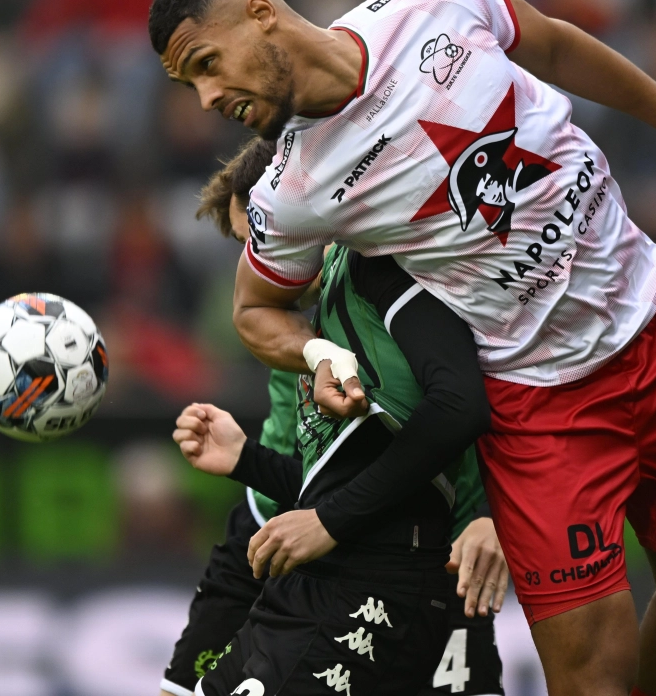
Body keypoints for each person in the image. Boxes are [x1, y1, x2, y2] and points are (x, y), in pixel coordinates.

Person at [149, 0, 656, 696]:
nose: (210, 96)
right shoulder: (291, 191)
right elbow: (252, 310)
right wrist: (317, 350)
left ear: (260, 15)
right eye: (193, 85)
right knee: (594, 681)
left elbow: (556, 45)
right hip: (542, 408)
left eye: (208, 65)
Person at [163, 138, 508, 696]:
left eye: (258, 239)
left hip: (429, 562)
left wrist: (495, 515)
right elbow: (332, 480)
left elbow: (475, 403)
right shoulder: (297, 339)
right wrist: (244, 459)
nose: (253, 262)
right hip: (318, 556)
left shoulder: (396, 273)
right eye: (242, 245)